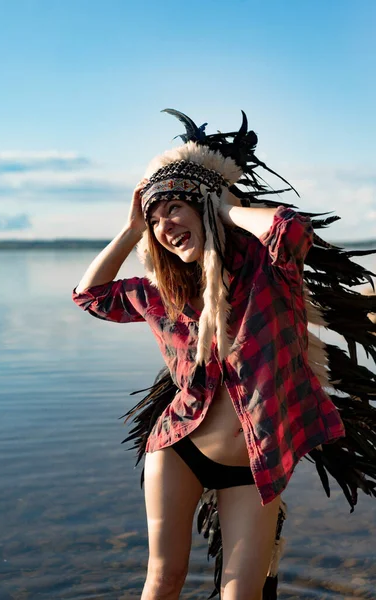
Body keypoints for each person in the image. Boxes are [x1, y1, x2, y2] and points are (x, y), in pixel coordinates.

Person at [72, 110, 376, 600]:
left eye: (173, 208)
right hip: (179, 450)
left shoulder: (268, 275)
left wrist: (223, 205)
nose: (164, 225)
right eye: (155, 219)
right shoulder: (159, 294)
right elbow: (91, 297)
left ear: (204, 208)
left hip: (258, 463)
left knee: (243, 594)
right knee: (164, 581)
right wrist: (131, 230)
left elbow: (290, 229)